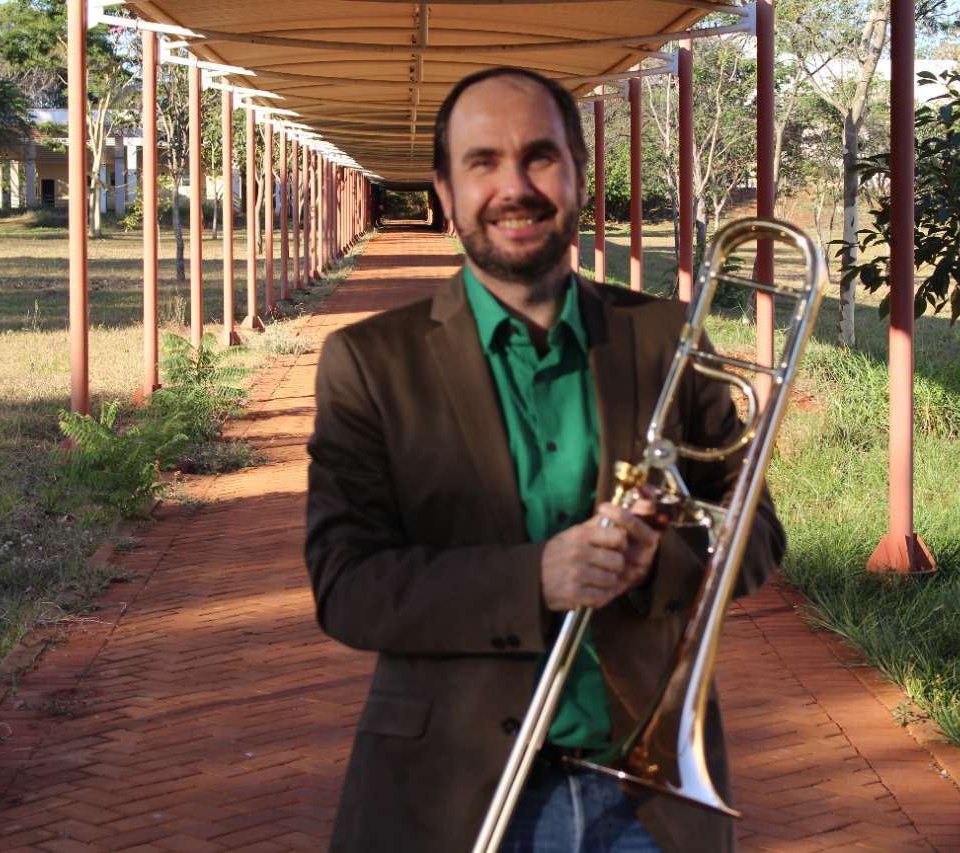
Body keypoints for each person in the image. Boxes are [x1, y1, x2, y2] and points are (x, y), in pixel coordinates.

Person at [305, 67, 785, 853]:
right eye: (482, 161)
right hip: (451, 794)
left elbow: (755, 527)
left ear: (579, 175)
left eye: (539, 156)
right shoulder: (368, 363)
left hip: (647, 797)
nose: (514, 185)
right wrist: (536, 578)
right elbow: (347, 584)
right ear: (444, 190)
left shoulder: (667, 336)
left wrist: (660, 559)